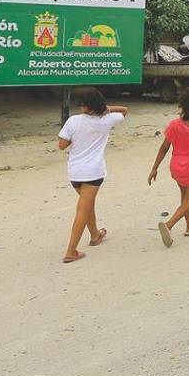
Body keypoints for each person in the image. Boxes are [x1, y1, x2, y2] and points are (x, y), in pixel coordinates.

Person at [57, 87, 128, 264]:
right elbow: (125, 110)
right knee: (83, 208)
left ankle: (95, 234)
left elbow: (62, 145)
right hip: (93, 172)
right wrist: (106, 108)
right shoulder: (107, 120)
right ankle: (71, 250)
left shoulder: (73, 121)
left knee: (86, 205)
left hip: (75, 172)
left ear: (85, 106)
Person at [148, 87, 189, 248]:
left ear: (182, 105)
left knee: (185, 197)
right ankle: (169, 225)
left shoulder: (174, 124)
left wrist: (154, 168)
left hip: (177, 167)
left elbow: (164, 147)